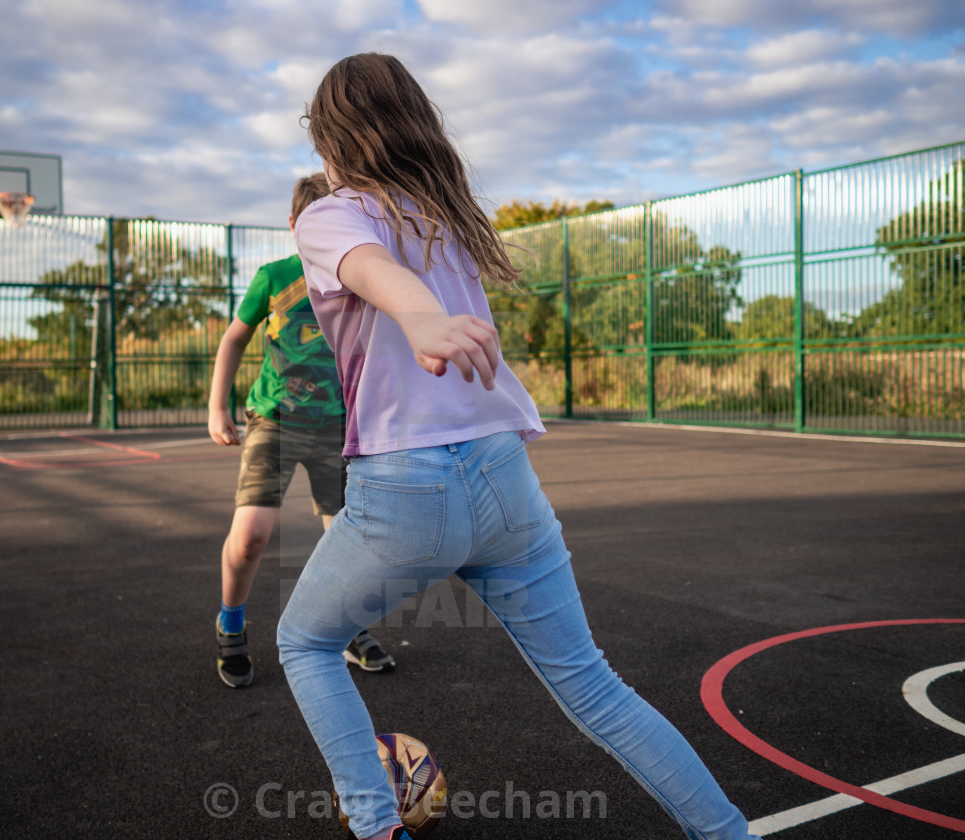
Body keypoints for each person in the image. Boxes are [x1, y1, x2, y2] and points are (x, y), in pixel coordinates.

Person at [276, 54, 763, 840]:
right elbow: (393, 276)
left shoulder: (331, 213)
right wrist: (426, 313)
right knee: (596, 688)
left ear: (332, 134)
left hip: (408, 486)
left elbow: (370, 271)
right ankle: (732, 834)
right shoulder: (448, 218)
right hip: (504, 478)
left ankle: (376, 828)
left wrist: (418, 317)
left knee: (303, 640)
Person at [208, 173, 395, 688]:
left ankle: (346, 632)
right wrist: (216, 408)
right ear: (295, 226)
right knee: (250, 537)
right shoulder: (275, 277)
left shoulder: (356, 280)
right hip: (275, 418)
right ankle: (231, 623)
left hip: (335, 426)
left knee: (345, 541)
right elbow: (232, 341)